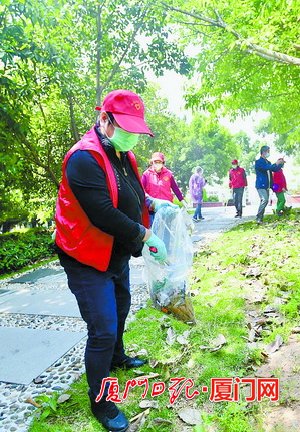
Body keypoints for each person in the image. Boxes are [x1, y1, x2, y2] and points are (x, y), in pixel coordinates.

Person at [55, 89, 172, 432]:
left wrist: (151, 204)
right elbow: (103, 213)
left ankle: (117, 358)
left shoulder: (124, 153)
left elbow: (133, 191)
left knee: (121, 307)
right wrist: (145, 236)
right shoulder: (82, 159)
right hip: (85, 254)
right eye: (126, 127)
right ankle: (101, 399)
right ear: (104, 119)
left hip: (115, 251)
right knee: (103, 327)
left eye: (137, 130)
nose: (132, 136)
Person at [255, 146, 284, 224]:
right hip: (261, 185)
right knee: (265, 200)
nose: (268, 153)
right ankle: (258, 217)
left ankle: (260, 218)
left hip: (267, 186)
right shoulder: (258, 162)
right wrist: (276, 163)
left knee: (265, 200)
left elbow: (274, 169)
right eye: (268, 151)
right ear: (263, 152)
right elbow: (266, 168)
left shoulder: (268, 162)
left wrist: (280, 164)